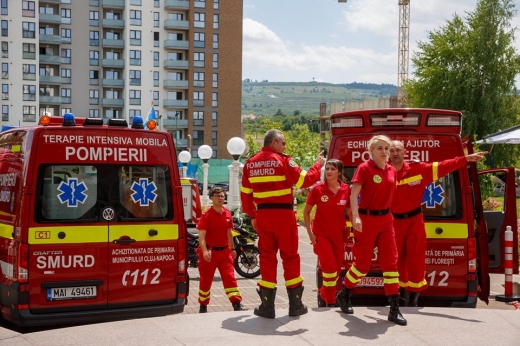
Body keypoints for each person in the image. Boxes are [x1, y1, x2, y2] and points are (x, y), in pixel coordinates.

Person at [389, 140, 487, 307]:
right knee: (395, 259)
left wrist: (466, 159)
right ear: (388, 153)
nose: (395, 153)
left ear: (405, 152)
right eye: (392, 150)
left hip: (414, 221)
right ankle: (399, 293)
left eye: (398, 149)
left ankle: (413, 296)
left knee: (416, 258)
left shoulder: (418, 169)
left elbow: (444, 166)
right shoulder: (384, 172)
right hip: (392, 222)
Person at [240, 129, 325, 318]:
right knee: (290, 257)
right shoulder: (284, 160)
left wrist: (253, 216)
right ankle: (295, 305)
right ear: (274, 143)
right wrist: (318, 165)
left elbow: (245, 194)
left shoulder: (250, 163)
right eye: (283, 143)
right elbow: (305, 180)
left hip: (263, 216)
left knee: (267, 258)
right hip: (284, 215)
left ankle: (267, 307)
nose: (285, 147)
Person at [336, 134, 407, 326]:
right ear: (371, 151)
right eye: (380, 148)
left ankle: (394, 309)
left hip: (386, 220)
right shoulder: (364, 168)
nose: (385, 152)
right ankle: (345, 292)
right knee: (363, 266)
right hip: (366, 220)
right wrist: (356, 216)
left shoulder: (392, 170)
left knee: (391, 264)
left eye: (387, 148)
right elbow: (353, 194)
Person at [303, 159, 351, 307]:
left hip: (338, 235)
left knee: (336, 269)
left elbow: (350, 211)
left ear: (339, 172)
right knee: (329, 268)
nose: (329, 172)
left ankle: (325, 293)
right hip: (321, 235)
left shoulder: (346, 190)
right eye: (327, 168)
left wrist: (354, 227)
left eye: (332, 169)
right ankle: (330, 300)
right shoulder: (317, 189)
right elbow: (306, 212)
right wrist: (310, 234)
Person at [196, 187, 247, 313]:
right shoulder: (206, 215)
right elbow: (201, 236)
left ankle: (236, 304)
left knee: (230, 278)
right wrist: (204, 251)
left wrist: (232, 249)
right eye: (218, 196)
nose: (220, 198)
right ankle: (203, 306)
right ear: (212, 198)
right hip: (210, 253)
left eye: (222, 196)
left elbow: (229, 233)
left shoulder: (227, 213)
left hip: (225, 253)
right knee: (206, 281)